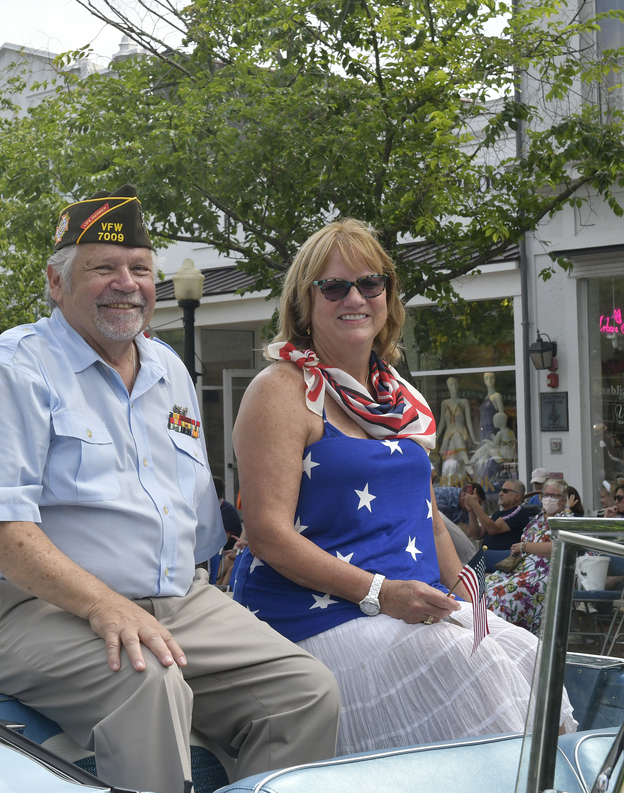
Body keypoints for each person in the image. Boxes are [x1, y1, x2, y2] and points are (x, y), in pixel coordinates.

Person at [0, 185, 340, 793]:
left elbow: (191, 516)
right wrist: (103, 603)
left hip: (174, 601)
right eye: (103, 268)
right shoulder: (11, 370)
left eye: (140, 269)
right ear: (56, 283)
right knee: (146, 683)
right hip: (24, 609)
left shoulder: (166, 367)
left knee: (305, 692)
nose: (126, 283)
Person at [228, 219, 564, 755]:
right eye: (333, 287)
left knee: (530, 659)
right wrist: (382, 594)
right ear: (303, 305)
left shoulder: (397, 394)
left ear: (388, 295)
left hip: (411, 600)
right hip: (320, 612)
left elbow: (426, 515)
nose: (354, 297)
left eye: (370, 283)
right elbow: (266, 534)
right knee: (470, 672)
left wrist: (467, 598)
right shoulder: (281, 389)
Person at [485, 479, 570, 634]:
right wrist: (519, 548)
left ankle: (501, 635)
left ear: (563, 499)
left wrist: (525, 546)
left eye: (554, 495)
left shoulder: (565, 521)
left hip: (546, 572)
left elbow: (557, 546)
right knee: (485, 586)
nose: (549, 498)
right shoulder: (537, 519)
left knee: (500, 592)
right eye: (546, 494)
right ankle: (482, 632)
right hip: (521, 568)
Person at [462, 479, 533, 570]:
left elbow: (493, 529)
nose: (500, 493)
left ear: (517, 496)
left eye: (505, 491)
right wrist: (471, 510)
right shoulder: (499, 513)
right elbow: (476, 534)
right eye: (500, 490)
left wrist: (476, 505)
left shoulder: (518, 512)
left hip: (503, 563)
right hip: (487, 560)